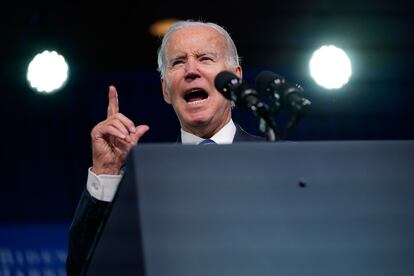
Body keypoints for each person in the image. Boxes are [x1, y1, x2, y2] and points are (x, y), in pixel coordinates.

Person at [66, 19, 264, 275]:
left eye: (205, 58)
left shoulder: (279, 160)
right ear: (165, 90)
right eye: (178, 62)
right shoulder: (145, 183)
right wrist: (107, 171)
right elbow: (85, 269)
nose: (191, 70)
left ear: (235, 79)